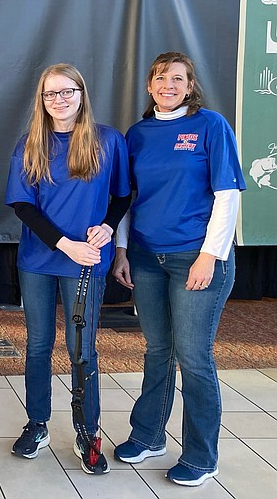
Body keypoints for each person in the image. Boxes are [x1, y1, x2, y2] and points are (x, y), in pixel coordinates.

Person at [111, 52, 245, 487]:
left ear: (190, 86)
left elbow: (227, 194)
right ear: (149, 86)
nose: (167, 85)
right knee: (157, 351)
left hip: (196, 258)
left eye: (177, 78)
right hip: (147, 258)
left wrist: (211, 255)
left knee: (194, 357)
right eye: (159, 78)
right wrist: (122, 250)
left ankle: (202, 457)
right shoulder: (138, 134)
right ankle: (148, 435)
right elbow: (129, 200)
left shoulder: (211, 126)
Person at [6, 63, 131, 475]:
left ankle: (87, 431)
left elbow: (121, 196)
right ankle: (37, 424)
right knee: (39, 346)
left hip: (87, 264)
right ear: (41, 100)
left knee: (82, 349)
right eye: (50, 94)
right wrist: (66, 245)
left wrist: (107, 228)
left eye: (66, 91)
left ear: (81, 92)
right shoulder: (30, 143)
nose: (58, 100)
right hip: (41, 262)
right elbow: (23, 205)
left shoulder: (108, 140)